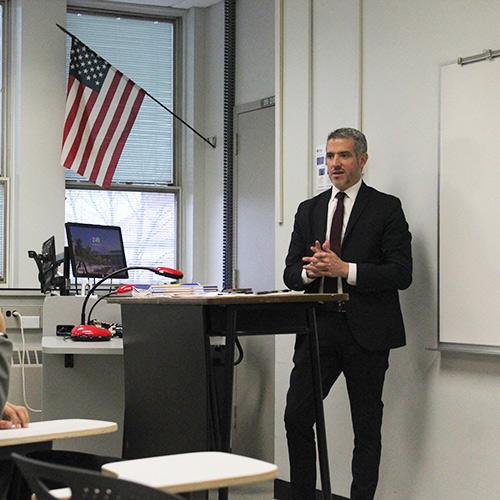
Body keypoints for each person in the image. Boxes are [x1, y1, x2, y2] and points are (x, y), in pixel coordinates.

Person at [283, 128, 412, 500]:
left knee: (367, 428)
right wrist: (312, 271)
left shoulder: (386, 208)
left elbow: (401, 273)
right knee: (296, 417)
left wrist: (346, 270)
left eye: (344, 156)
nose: (335, 164)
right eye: (330, 156)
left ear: (362, 160)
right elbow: (291, 273)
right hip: (318, 328)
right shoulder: (309, 210)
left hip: (367, 333)